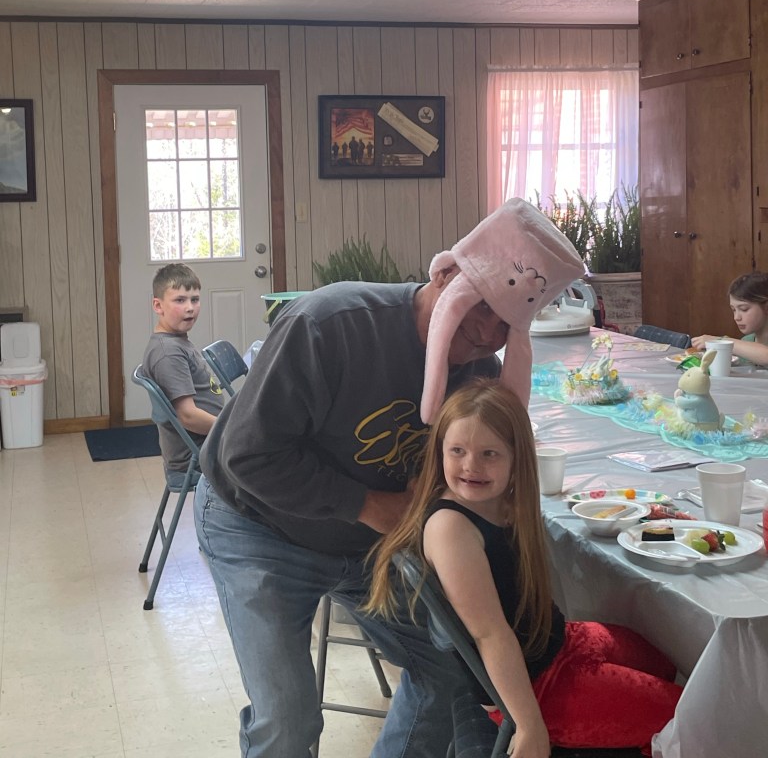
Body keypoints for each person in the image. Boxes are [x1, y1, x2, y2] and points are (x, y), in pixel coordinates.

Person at [193, 198, 585, 758]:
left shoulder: (479, 370)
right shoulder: (328, 325)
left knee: (448, 674)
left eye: (506, 323)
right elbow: (248, 455)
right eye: (480, 307)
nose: (487, 332)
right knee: (287, 718)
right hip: (257, 524)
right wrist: (370, 505)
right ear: (446, 275)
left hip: (371, 541)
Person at [367, 380, 682, 758]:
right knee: (687, 718)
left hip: (557, 643)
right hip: (533, 688)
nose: (471, 465)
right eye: (457, 451)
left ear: (517, 459)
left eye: (489, 454)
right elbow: (490, 634)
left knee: (666, 662)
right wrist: (529, 724)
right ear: (440, 452)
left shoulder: (502, 502)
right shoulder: (451, 528)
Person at [142, 263, 224, 487]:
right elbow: (188, 416)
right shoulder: (168, 353)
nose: (190, 308)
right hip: (197, 457)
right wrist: (232, 429)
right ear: (158, 305)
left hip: (208, 444)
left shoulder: (177, 342)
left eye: (195, 299)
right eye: (180, 300)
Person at [692, 271, 768, 366]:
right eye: (734, 310)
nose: (736, 317)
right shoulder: (746, 341)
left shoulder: (738, 345)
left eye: (744, 309)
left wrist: (721, 342)